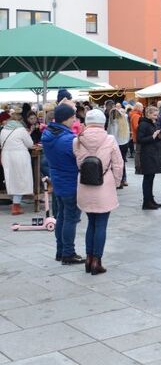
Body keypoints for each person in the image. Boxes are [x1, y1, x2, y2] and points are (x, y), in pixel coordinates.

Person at [73, 109, 123, 275]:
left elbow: (78, 161)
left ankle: (88, 259)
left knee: (91, 223)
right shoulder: (109, 139)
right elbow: (118, 164)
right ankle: (97, 262)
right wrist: (114, 183)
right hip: (104, 186)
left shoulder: (77, 140)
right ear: (103, 123)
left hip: (85, 186)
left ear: (87, 122)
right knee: (101, 224)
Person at [42, 103, 84, 264]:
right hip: (70, 182)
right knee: (70, 219)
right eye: (73, 117)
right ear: (66, 118)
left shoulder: (48, 133)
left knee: (60, 217)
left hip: (57, 181)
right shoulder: (67, 139)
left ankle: (60, 251)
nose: (75, 120)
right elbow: (79, 159)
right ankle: (68, 253)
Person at [0, 106, 34, 215]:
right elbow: (30, 144)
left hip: (6, 156)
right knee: (20, 179)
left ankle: (16, 204)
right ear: (19, 121)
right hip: (20, 155)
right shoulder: (21, 129)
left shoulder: (3, 129)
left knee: (12, 179)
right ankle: (16, 206)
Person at [137, 105, 161, 210]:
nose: (156, 116)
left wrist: (159, 136)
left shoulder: (153, 123)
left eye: (157, 114)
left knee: (151, 178)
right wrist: (153, 136)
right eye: (154, 114)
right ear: (148, 114)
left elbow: (154, 138)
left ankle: (150, 200)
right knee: (147, 178)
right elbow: (140, 140)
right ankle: (146, 202)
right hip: (147, 155)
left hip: (153, 152)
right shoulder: (143, 124)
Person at [107, 107, 130, 187]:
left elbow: (110, 133)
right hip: (123, 143)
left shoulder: (112, 122)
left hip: (116, 144)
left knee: (115, 163)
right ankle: (123, 179)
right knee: (122, 162)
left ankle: (119, 180)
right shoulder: (124, 121)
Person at [129, 102, 144, 171]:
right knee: (138, 152)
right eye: (142, 107)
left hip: (138, 136)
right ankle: (138, 167)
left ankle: (139, 166)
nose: (143, 108)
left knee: (138, 152)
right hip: (139, 137)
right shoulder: (136, 116)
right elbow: (137, 127)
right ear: (138, 108)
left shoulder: (136, 115)